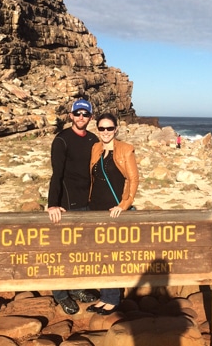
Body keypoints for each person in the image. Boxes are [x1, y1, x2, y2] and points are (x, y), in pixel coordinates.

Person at [46, 98, 99, 314]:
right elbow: (56, 174)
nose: (81, 117)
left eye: (85, 114)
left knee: (82, 251)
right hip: (67, 204)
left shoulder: (94, 139)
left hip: (88, 202)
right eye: (77, 113)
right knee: (62, 251)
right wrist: (52, 204)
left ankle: (77, 288)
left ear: (90, 118)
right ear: (71, 116)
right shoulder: (62, 140)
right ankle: (60, 295)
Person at [86, 112, 139, 315]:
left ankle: (112, 299)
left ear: (115, 129)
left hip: (113, 209)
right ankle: (104, 296)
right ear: (97, 130)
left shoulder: (126, 150)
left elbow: (133, 179)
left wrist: (123, 205)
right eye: (102, 128)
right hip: (95, 207)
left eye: (109, 128)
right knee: (99, 255)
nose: (106, 132)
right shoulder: (96, 148)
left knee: (111, 254)